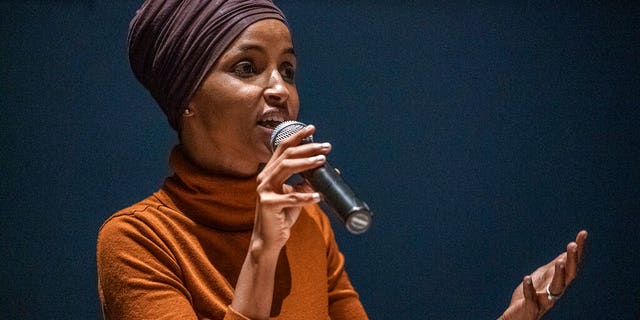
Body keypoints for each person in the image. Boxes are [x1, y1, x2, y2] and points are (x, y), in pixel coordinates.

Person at [96, 1, 588, 319]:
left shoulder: (309, 218)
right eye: (247, 68)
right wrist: (263, 252)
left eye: (287, 70)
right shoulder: (136, 241)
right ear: (188, 97)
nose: (279, 90)